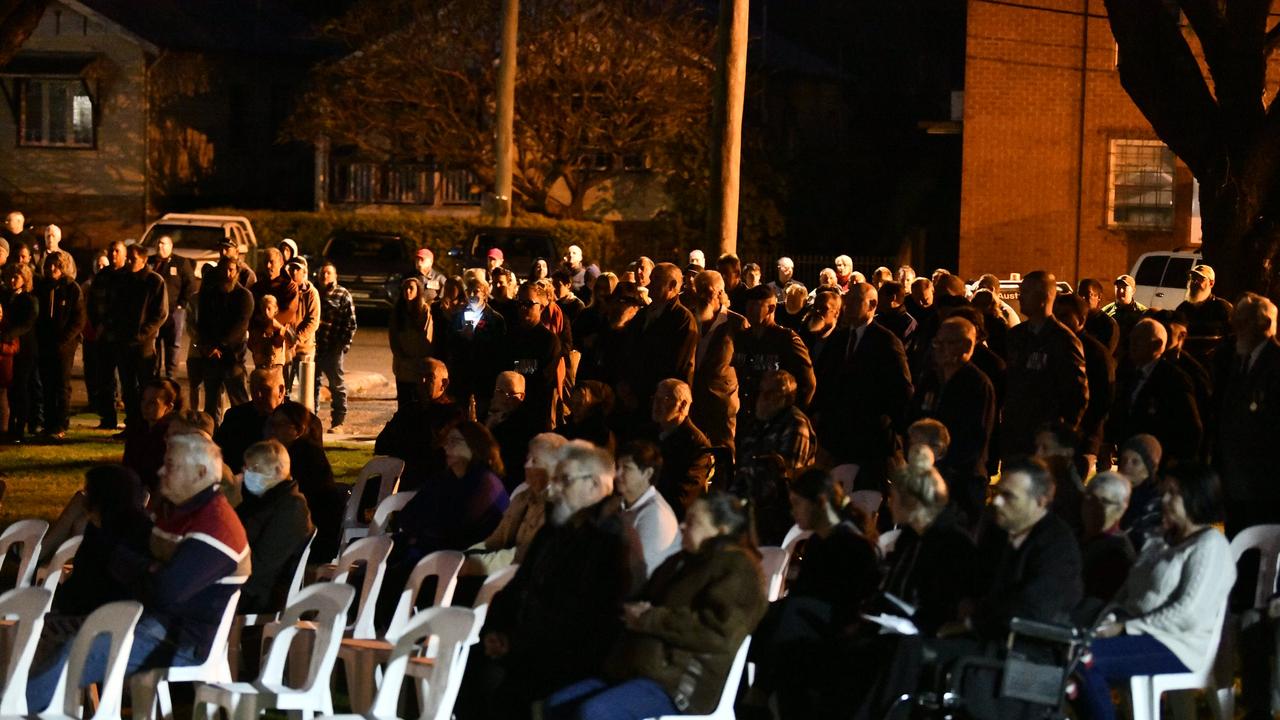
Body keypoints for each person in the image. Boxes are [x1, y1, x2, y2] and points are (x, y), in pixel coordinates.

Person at [26, 433, 250, 712]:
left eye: (170, 465)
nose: (160, 471)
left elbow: (163, 592)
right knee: (47, 636)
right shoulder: (187, 515)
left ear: (201, 472)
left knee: (80, 648)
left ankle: (18, 709)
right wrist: (148, 569)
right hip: (155, 621)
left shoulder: (215, 527)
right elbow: (154, 574)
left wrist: (134, 564)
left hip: (179, 639)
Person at [544, 493, 766, 720]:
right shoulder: (680, 561)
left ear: (722, 529)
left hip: (677, 683)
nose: (682, 526)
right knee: (557, 704)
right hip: (636, 668)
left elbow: (718, 632)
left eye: (693, 522)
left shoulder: (740, 570)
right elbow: (644, 598)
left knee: (595, 713)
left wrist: (648, 618)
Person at [463, 442, 636, 719]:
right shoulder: (554, 529)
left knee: (495, 688)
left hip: (567, 659)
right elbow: (517, 586)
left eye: (563, 480)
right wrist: (496, 631)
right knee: (468, 666)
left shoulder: (611, 538)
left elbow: (588, 618)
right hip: (525, 646)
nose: (553, 489)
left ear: (593, 485)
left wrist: (517, 645)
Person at [1075, 462, 1234, 720]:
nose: (1165, 499)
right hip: (1139, 634)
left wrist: (1126, 628)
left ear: (1196, 497)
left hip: (1177, 644)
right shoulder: (1161, 539)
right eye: (1164, 492)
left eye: (1173, 493)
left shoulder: (1210, 545)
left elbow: (1187, 613)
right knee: (1068, 650)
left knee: (1083, 660)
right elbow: (1128, 592)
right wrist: (1108, 619)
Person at [752, 467, 881, 718]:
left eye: (797, 504)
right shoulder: (818, 543)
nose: (793, 511)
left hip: (831, 643)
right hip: (809, 633)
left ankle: (758, 691)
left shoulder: (853, 547)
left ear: (820, 503)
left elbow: (850, 605)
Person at [378, 420, 510, 626]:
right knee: (373, 570)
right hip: (430, 548)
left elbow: (457, 526)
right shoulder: (444, 479)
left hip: (462, 561)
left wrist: (422, 531)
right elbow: (408, 515)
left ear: (475, 446)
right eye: (446, 442)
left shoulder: (485, 484)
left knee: (395, 580)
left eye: (455, 441)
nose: (447, 447)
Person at [812, 282, 913, 491]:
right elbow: (824, 381)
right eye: (847, 300)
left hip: (872, 440)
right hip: (837, 438)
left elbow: (901, 390)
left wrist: (894, 432)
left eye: (855, 300)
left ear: (872, 304)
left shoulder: (886, 342)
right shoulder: (838, 340)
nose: (847, 305)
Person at [968, 457, 1083, 637]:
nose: (996, 502)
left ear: (1040, 501)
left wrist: (971, 623)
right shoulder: (998, 532)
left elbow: (1032, 611)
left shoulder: (1057, 547)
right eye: (997, 493)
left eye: (1008, 496)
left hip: (1020, 648)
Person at [908, 316, 996, 524]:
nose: (938, 349)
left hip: (961, 481)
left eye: (946, 343)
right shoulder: (931, 379)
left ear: (966, 345)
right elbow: (913, 415)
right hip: (927, 473)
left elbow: (976, 436)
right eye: (936, 343)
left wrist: (948, 467)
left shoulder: (977, 385)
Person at [1211, 292, 1280, 535]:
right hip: (1237, 483)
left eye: (1244, 320)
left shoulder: (1275, 364)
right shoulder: (1240, 361)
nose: (1236, 327)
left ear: (1265, 324)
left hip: (1264, 486)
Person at [1000, 271, 1088, 458]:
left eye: (1025, 292)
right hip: (1015, 436)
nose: (1020, 297)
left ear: (1043, 297)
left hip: (1044, 438)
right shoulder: (1016, 336)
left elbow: (1077, 393)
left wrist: (1062, 432)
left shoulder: (1063, 341)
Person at [50, 465, 150, 615]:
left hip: (102, 617)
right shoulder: (100, 526)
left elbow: (89, 584)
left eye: (88, 491)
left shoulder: (115, 537)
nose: (84, 499)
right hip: (94, 610)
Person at [733, 369, 817, 542]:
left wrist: (746, 506)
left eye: (770, 393)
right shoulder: (758, 424)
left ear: (785, 398)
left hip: (777, 511)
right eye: (761, 391)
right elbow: (743, 469)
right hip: (750, 505)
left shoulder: (795, 425)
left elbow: (786, 477)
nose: (762, 398)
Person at [467, 433, 568, 573]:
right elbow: (496, 539)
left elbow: (527, 554)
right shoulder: (521, 496)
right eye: (528, 459)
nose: (526, 465)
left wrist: (474, 564)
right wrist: (465, 556)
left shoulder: (559, 505)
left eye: (535, 461)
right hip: (501, 571)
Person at [235, 439, 314, 615]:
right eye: (245, 469)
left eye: (254, 469)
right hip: (246, 582)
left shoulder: (291, 508)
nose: (245, 475)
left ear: (278, 471)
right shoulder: (264, 501)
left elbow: (262, 565)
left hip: (257, 593)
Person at [1106, 319, 1201, 462]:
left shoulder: (1173, 379)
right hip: (1130, 455)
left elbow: (1191, 427)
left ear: (1157, 345)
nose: (1132, 346)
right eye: (1131, 340)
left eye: (1139, 340)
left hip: (1158, 460)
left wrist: (1176, 463)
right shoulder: (1128, 373)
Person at [621, 263, 696, 423]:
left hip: (660, 400)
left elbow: (678, 364)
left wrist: (654, 396)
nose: (650, 284)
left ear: (673, 285)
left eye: (656, 280)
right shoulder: (643, 314)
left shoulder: (683, 319)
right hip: (633, 395)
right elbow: (628, 348)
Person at [375, 358, 463, 489]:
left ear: (443, 384)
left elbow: (433, 451)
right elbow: (381, 444)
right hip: (399, 478)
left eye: (429, 377)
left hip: (431, 484)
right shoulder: (408, 410)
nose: (422, 381)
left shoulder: (452, 414)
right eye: (419, 376)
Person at [735, 284, 816, 418]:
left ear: (771, 308)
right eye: (748, 305)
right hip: (746, 417)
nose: (749, 310)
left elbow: (807, 384)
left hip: (776, 416)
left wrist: (791, 415)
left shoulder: (786, 340)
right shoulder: (742, 338)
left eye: (755, 305)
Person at [111, 245, 169, 429]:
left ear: (144, 260)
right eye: (128, 257)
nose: (128, 261)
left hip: (144, 342)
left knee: (147, 385)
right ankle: (132, 424)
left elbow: (160, 313)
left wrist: (143, 333)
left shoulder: (154, 281)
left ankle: (148, 424)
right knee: (127, 386)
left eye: (133, 258)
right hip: (124, 340)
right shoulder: (122, 279)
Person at [688, 270, 747, 451]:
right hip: (692, 400)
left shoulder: (737, 324)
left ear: (720, 292)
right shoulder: (688, 318)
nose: (702, 295)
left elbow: (744, 364)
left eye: (708, 290)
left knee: (724, 452)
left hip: (722, 402)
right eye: (699, 290)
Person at [196, 258, 253, 422]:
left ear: (236, 272)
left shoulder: (244, 296)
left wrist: (220, 346)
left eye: (231, 270)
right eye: (224, 270)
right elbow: (203, 323)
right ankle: (212, 437)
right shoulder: (209, 294)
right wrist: (207, 347)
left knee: (239, 403)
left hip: (233, 358)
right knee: (211, 406)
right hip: (211, 357)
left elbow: (240, 327)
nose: (227, 274)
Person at [35, 251, 84, 439]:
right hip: (45, 344)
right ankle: (48, 424)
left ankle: (61, 424)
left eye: (55, 265)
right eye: (49, 265)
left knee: (62, 385)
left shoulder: (72, 289)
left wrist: (64, 340)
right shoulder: (42, 287)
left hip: (65, 346)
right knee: (47, 384)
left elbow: (78, 319)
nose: (51, 269)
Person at [615, 440, 680, 579]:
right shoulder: (620, 504)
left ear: (648, 473)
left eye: (626, 468)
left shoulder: (655, 516)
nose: (617, 474)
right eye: (617, 467)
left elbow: (640, 574)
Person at [651, 379, 712, 521]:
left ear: (683, 405)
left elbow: (684, 495)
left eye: (665, 399)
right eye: (655, 398)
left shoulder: (695, 444)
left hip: (667, 516)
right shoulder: (650, 432)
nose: (656, 405)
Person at [503, 282, 561, 428]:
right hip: (507, 408)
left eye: (529, 303)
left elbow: (542, 376)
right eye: (520, 303)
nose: (523, 308)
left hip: (535, 411)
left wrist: (515, 367)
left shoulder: (549, 340)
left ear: (541, 307)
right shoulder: (511, 335)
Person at [447, 273, 507, 414]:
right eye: (470, 291)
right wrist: (460, 336)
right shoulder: (457, 316)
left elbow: (498, 348)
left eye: (477, 291)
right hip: (461, 375)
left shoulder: (495, 319)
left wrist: (476, 337)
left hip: (484, 375)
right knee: (459, 415)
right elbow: (450, 343)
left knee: (483, 414)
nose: (472, 294)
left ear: (485, 294)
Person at [1080, 471, 1135, 607]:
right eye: (1090, 499)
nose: (1094, 507)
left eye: (1104, 502)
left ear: (1121, 510)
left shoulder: (1117, 553)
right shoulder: (1075, 535)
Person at [314, 261, 356, 430]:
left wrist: (342, 346)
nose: (325, 276)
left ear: (335, 276)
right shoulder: (313, 291)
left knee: (336, 386)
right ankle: (312, 420)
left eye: (329, 273)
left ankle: (339, 421)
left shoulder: (342, 294)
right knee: (312, 385)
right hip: (314, 347)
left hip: (333, 348)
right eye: (323, 272)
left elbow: (351, 323)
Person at [122, 378, 183, 494]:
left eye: (153, 403)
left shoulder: (172, 437)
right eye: (143, 400)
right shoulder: (138, 431)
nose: (145, 406)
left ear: (168, 407)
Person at [149, 235, 194, 378]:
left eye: (163, 244)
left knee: (173, 344)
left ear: (171, 246)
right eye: (158, 244)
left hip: (174, 311)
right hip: (154, 311)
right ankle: (153, 374)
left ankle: (170, 375)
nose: (160, 247)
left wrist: (182, 304)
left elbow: (190, 284)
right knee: (154, 343)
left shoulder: (180, 263)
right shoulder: (150, 262)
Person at [389, 278, 437, 409]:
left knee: (418, 404)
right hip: (403, 366)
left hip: (418, 367)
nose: (407, 291)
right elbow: (393, 338)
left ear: (418, 291)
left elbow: (427, 338)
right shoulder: (398, 312)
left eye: (411, 288)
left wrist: (421, 362)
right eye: (405, 289)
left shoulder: (424, 311)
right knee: (404, 404)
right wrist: (401, 358)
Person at [2, 265, 37, 443]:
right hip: (9, 349)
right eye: (11, 276)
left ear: (25, 279)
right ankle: (11, 425)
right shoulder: (8, 297)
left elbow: (27, 323)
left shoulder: (29, 300)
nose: (13, 280)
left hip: (24, 348)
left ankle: (19, 428)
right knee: (12, 388)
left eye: (17, 277)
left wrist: (8, 335)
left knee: (21, 387)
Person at [1176, 263, 1234, 349]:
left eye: (1200, 279)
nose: (1194, 282)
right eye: (1192, 278)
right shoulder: (1183, 308)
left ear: (1211, 283)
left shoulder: (1223, 308)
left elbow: (1232, 338)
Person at [284, 258, 320, 396]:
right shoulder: (285, 290)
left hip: (304, 347)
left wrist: (296, 339)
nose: (294, 271)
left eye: (297, 269)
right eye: (291, 268)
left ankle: (309, 415)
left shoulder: (311, 293)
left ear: (304, 272)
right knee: (284, 388)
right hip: (286, 346)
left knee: (306, 390)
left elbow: (313, 322)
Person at [1103, 274, 1147, 364]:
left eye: (1125, 288)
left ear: (1133, 291)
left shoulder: (1143, 313)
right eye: (1118, 288)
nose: (1120, 291)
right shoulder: (1105, 312)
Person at [249, 247, 298, 328]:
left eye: (271, 262)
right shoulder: (257, 287)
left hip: (280, 336)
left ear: (281, 263)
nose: (268, 266)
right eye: (265, 262)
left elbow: (288, 313)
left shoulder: (290, 287)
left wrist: (269, 325)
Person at [1078, 278, 1119, 353]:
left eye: (1088, 294)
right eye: (1080, 293)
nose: (1082, 297)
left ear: (1099, 297)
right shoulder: (1075, 320)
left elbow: (1106, 354)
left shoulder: (1108, 324)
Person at [247, 294, 287, 369]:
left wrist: (278, 328)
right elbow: (251, 344)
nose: (266, 311)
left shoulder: (279, 326)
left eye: (269, 308)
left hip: (275, 366)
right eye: (263, 308)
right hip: (260, 365)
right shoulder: (256, 326)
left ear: (275, 309)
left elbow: (281, 343)